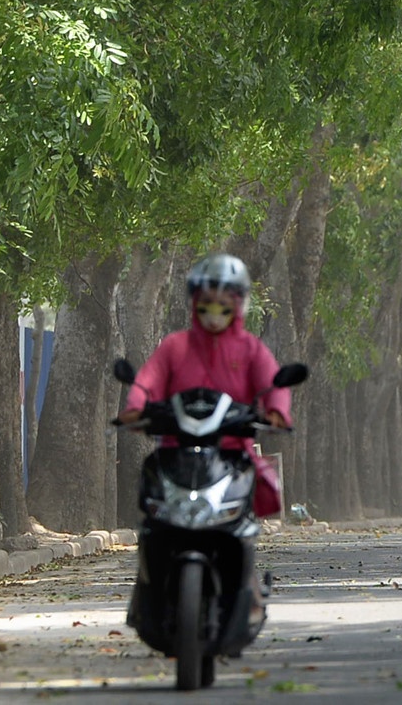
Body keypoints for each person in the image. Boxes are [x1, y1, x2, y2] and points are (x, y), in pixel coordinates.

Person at [118, 254, 292, 621]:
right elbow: (146, 382)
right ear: (195, 302)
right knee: (151, 515)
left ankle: (247, 591)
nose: (215, 309)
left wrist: (276, 411)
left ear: (238, 303)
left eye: (225, 301)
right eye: (207, 301)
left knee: (244, 519)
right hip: (175, 453)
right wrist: (135, 407)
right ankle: (149, 589)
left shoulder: (251, 349)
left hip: (231, 457)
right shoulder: (174, 347)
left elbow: (273, 384)